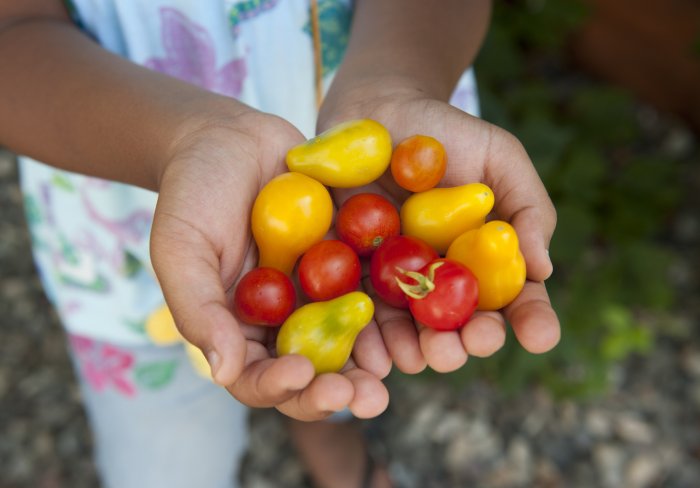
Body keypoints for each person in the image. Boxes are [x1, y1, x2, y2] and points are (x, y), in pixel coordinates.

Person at [0, 1, 560, 487]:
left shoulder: (373, 238)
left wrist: (394, 84)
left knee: (328, 370)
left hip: (371, 136)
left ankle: (325, 435)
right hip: (116, 213)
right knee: (165, 446)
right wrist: (185, 142)